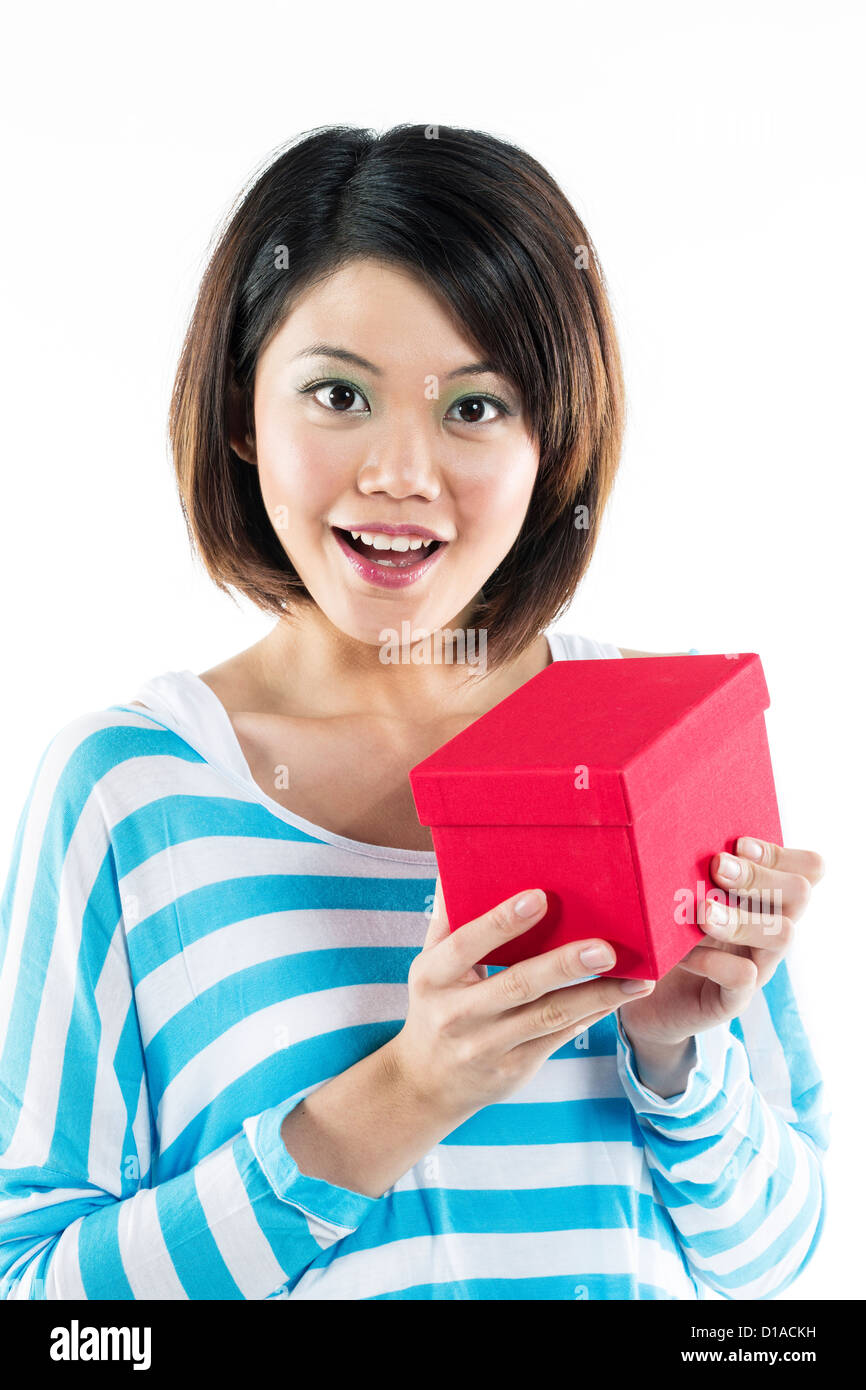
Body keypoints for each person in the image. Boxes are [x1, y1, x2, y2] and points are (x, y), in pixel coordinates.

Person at [0, 124, 828, 1300]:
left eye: (475, 408)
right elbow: (41, 1301)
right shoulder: (130, 790)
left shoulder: (641, 731)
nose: (401, 471)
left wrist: (673, 1052)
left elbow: (770, 1261)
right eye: (339, 393)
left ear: (553, 439)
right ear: (242, 411)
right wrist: (412, 1088)